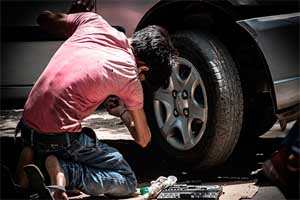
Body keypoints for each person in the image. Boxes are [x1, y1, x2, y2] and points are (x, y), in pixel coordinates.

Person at [14, 0, 178, 199]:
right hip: (58, 139)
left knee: (88, 135)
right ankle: (63, 171)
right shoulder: (130, 76)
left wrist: (74, 16)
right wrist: (123, 113)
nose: (141, 79)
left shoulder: (92, 22)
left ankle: (30, 157)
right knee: (126, 180)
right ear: (144, 68)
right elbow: (143, 139)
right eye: (144, 77)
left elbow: (44, 18)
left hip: (27, 127)